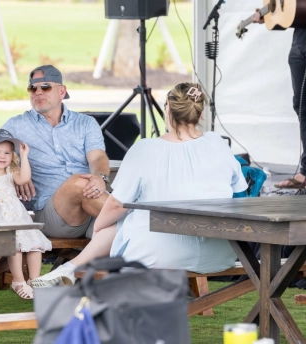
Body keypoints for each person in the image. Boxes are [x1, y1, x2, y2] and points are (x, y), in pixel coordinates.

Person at [31, 83, 248, 287]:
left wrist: (98, 228)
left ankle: (70, 268)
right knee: (132, 220)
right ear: (200, 114)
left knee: (124, 219)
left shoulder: (145, 149)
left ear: (167, 110)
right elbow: (241, 197)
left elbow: (117, 205)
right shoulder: (219, 145)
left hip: (160, 254)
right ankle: (69, 268)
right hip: (220, 254)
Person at [2, 65, 110, 239]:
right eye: (32, 88)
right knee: (78, 183)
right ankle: (135, 221)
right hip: (53, 215)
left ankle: (80, 266)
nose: (38, 92)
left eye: (45, 87)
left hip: (92, 210)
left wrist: (101, 177)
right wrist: (14, 170)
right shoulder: (16, 125)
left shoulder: (86, 123)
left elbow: (97, 157)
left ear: (62, 91)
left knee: (111, 233)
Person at [0, 129, 52, 300]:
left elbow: (24, 179)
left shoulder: (10, 172)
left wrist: (25, 156)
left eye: (7, 152)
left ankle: (35, 280)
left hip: (16, 217)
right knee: (15, 246)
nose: (2, 156)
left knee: (35, 245)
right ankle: (19, 281)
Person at [252, 11, 306, 189]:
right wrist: (272, 15)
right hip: (300, 43)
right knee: (301, 107)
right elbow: (298, 7)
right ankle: (305, 172)